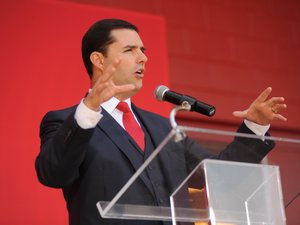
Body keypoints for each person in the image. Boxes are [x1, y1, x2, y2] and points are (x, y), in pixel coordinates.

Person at [35, 19, 287, 225]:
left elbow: (219, 177)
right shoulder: (66, 122)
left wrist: (254, 127)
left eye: (143, 50)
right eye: (129, 50)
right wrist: (89, 108)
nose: (143, 58)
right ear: (98, 60)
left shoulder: (164, 128)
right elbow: (53, 173)